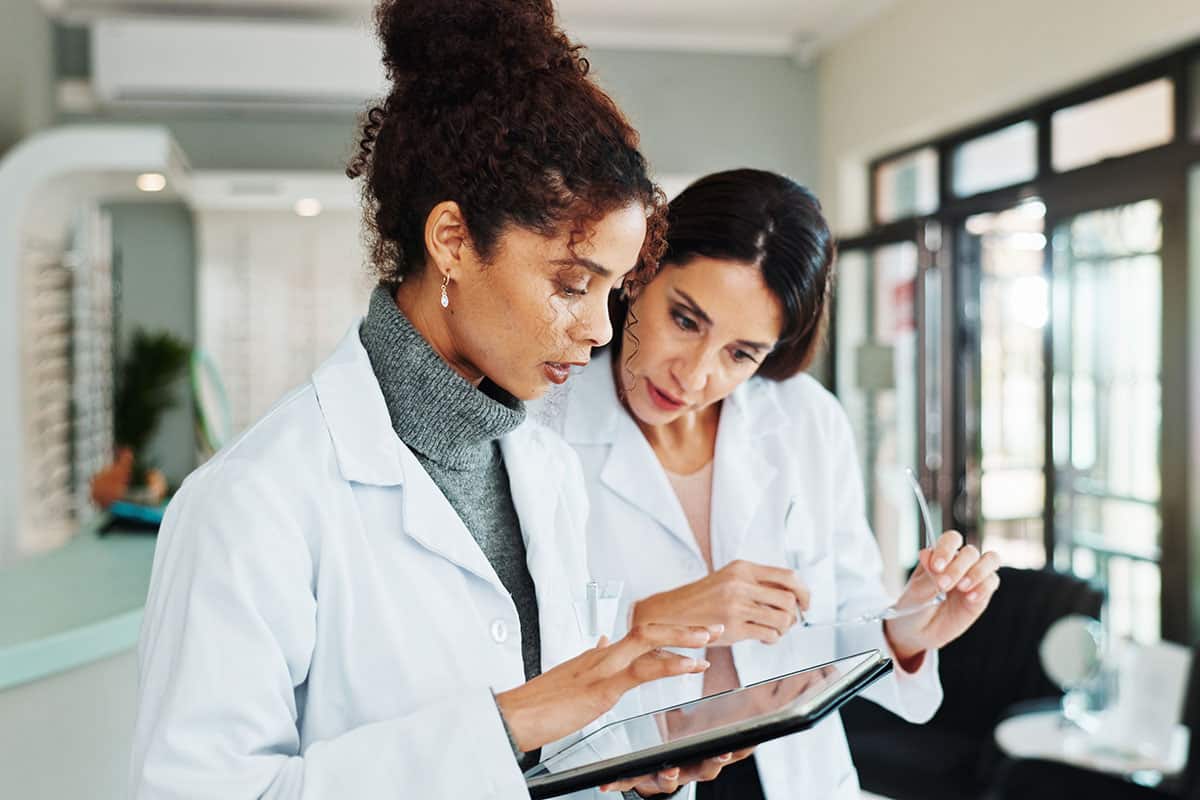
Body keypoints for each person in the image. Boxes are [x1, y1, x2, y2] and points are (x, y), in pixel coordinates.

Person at [129, 3, 743, 797]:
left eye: (613, 292)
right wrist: (508, 724)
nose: (598, 329)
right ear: (452, 240)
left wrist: (626, 775)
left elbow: (544, 756)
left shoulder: (543, 471)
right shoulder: (253, 502)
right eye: (571, 284)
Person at [536, 169, 1003, 800]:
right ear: (640, 274)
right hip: (632, 779)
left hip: (795, 771)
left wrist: (907, 628)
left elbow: (836, 629)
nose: (694, 375)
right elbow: (509, 654)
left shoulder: (806, 419)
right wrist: (650, 618)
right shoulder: (539, 425)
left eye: (741, 354)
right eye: (685, 319)